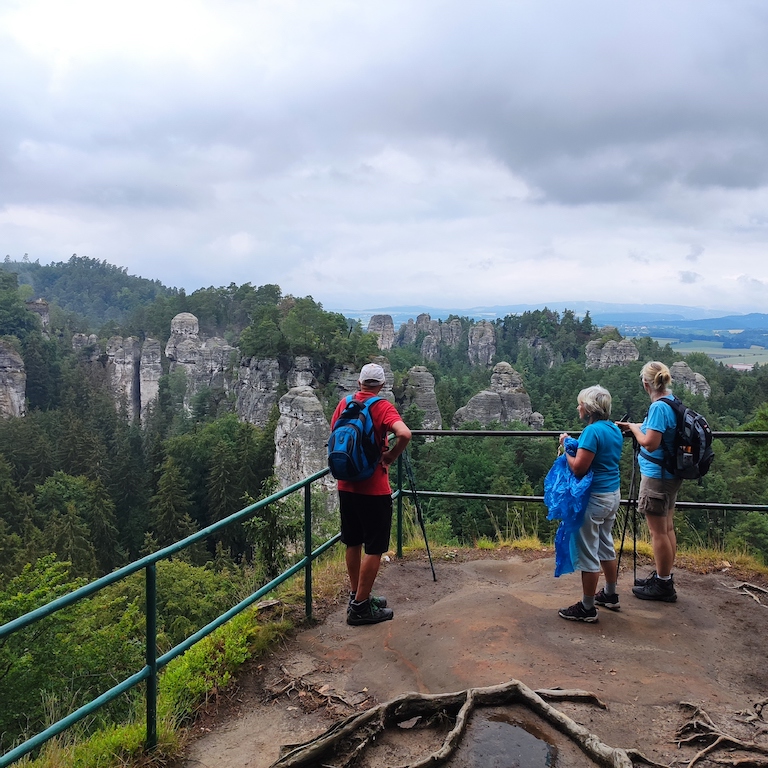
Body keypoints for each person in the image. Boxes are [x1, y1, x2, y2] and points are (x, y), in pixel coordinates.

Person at [330, 363, 411, 626]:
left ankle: (357, 596)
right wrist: (390, 456)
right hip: (374, 489)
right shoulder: (382, 406)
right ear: (382, 386)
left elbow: (335, 435)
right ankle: (361, 608)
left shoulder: (344, 404)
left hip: (346, 485)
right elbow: (405, 434)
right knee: (374, 548)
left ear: (360, 383)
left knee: (352, 542)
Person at [557, 385, 624, 623]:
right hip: (612, 495)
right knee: (606, 544)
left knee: (588, 552)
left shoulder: (592, 432)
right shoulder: (613, 429)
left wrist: (566, 447)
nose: (578, 407)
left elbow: (578, 467)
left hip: (594, 499)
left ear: (589, 408)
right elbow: (600, 455)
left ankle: (587, 608)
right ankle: (610, 594)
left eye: (580, 404)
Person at [617, 361, 682, 603]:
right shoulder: (671, 400)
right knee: (667, 528)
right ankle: (664, 577)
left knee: (658, 532)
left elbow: (650, 443)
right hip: (670, 474)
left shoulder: (658, 407)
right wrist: (638, 427)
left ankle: (663, 585)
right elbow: (658, 433)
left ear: (646, 384)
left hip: (657, 476)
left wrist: (634, 429)